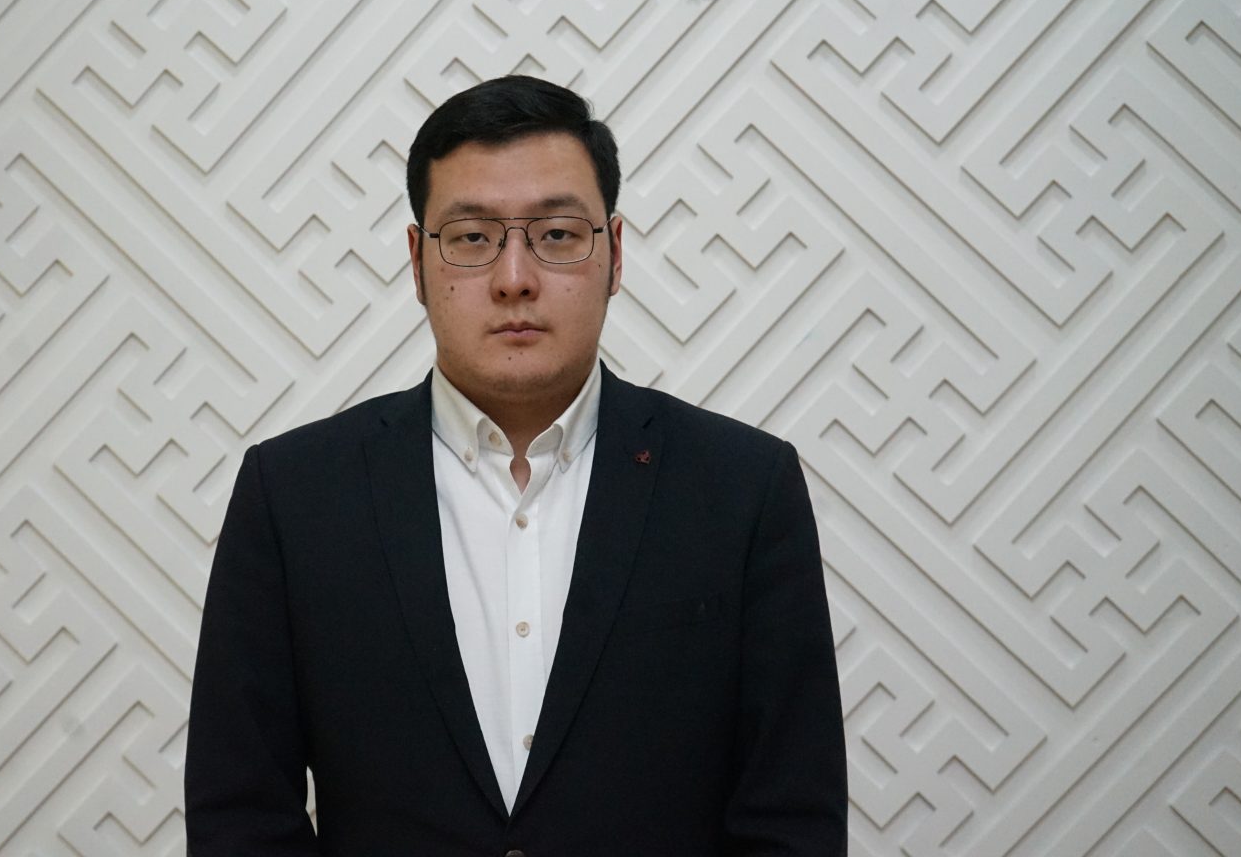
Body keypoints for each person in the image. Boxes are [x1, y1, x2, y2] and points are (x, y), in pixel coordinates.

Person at [185, 75, 847, 856]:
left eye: (557, 234)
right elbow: (240, 815)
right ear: (417, 261)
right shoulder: (294, 495)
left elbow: (791, 818)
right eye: (472, 238)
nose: (514, 278)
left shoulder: (743, 489)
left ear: (615, 253)